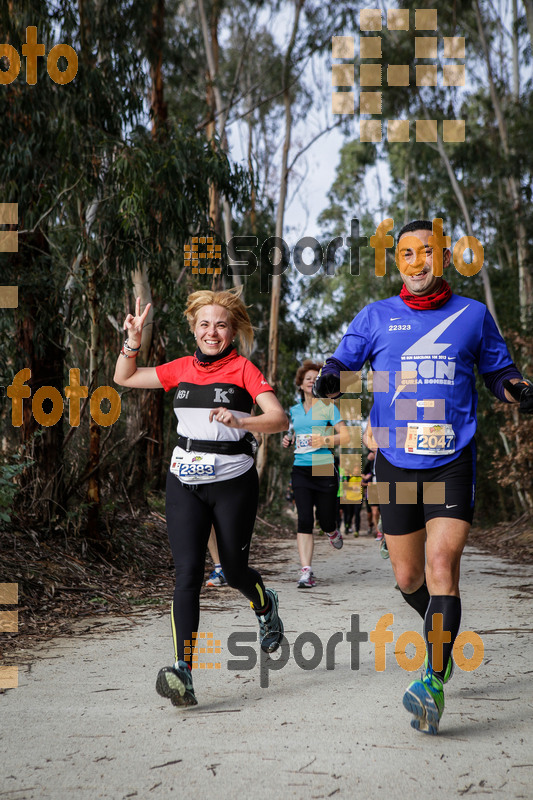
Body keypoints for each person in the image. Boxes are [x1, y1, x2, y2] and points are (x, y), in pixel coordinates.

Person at [314, 219, 533, 734]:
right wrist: (330, 377)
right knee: (408, 577)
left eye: (427, 253)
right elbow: (344, 360)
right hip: (393, 462)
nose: (417, 263)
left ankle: (433, 680)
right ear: (397, 262)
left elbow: (499, 372)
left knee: (441, 565)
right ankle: (445, 638)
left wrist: (519, 390)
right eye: (406, 254)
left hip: (452, 459)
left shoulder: (473, 316)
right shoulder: (375, 315)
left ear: (444, 257)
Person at [114, 288, 288, 708]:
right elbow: (124, 376)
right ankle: (183, 671)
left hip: (233, 480)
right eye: (205, 324)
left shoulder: (244, 369)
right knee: (188, 572)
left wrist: (243, 418)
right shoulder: (180, 369)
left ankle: (265, 606)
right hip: (184, 479)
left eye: (221, 325)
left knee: (232, 568)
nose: (213, 332)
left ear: (232, 331)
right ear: (194, 328)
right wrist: (132, 342)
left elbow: (279, 418)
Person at [282, 360, 347, 588]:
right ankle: (306, 572)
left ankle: (331, 530)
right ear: (300, 384)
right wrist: (287, 440)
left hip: (323, 466)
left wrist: (324, 440)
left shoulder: (328, 407)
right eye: (307, 378)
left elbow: (347, 436)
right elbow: (292, 434)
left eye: (315, 378)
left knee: (325, 520)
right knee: (305, 520)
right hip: (301, 468)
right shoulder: (294, 410)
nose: (311, 381)